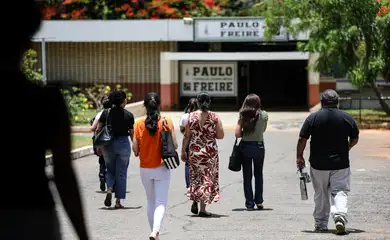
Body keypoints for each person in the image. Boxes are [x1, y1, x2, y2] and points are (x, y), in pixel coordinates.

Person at [0, 1, 89, 239]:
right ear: (28, 41)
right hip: (32, 214)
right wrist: (83, 234)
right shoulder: (45, 101)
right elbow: (64, 173)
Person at [296, 89, 359, 234]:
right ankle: (340, 217)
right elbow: (355, 138)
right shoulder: (347, 118)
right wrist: (347, 148)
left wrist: (299, 156)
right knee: (340, 191)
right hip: (341, 164)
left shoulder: (313, 118)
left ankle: (320, 224)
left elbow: (302, 138)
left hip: (318, 165)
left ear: (322, 102)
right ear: (337, 102)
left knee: (321, 193)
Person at [132, 92, 178, 240]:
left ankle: (154, 232)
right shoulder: (167, 121)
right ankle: (155, 232)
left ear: (145, 106)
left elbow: (135, 149)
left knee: (150, 200)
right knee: (161, 201)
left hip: (145, 168)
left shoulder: (138, 124)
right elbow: (175, 145)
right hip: (162, 167)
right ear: (158, 105)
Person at [181, 92, 224, 217]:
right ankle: (203, 209)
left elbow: (186, 135)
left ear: (198, 102)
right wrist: (210, 135)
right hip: (210, 151)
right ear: (209, 102)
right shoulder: (215, 117)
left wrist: (183, 151)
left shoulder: (191, 116)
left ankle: (197, 201)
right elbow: (220, 135)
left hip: (195, 151)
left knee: (196, 177)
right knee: (207, 177)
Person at [97, 90, 134, 209]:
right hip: (123, 144)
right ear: (123, 101)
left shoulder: (106, 113)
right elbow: (132, 133)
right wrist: (135, 147)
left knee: (110, 169)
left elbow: (98, 129)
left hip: (108, 144)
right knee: (122, 173)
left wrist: (98, 146)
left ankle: (109, 189)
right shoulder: (128, 115)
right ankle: (118, 201)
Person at [234, 94, 268, 211]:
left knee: (247, 176)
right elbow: (263, 130)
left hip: (246, 147)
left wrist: (246, 134)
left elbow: (237, 133)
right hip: (259, 147)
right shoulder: (264, 115)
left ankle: (249, 203)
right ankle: (259, 201)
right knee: (258, 174)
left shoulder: (243, 115)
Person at [91, 94, 112, 191]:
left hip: (102, 141)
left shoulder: (100, 114)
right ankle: (110, 182)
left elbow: (93, 128)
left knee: (102, 160)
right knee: (112, 162)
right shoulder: (115, 113)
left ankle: (102, 175)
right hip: (112, 141)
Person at [179, 98, 199, 193]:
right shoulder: (201, 115)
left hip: (188, 140)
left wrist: (182, 150)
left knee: (188, 163)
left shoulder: (184, 116)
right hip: (199, 140)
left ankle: (189, 186)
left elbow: (182, 130)